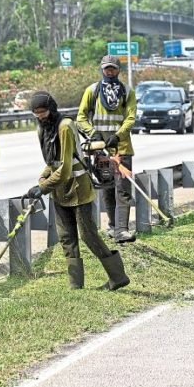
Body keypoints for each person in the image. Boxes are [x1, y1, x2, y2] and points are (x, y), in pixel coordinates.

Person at [27, 91, 129, 291]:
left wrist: (44, 187)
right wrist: (42, 179)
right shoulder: (42, 129)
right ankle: (76, 285)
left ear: (52, 108)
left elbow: (65, 169)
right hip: (60, 191)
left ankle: (118, 277)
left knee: (88, 236)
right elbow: (51, 163)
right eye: (36, 113)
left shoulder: (65, 126)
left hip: (78, 188)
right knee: (66, 237)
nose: (41, 116)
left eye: (43, 111)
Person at [76, 55, 137, 243]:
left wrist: (117, 136)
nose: (110, 71)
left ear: (119, 70)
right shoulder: (92, 91)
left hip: (121, 149)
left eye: (113, 69)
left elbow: (131, 118)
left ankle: (122, 230)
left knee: (123, 190)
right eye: (107, 68)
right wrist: (93, 134)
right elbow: (80, 117)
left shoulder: (127, 92)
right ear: (102, 69)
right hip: (100, 151)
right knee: (107, 188)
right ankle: (112, 227)